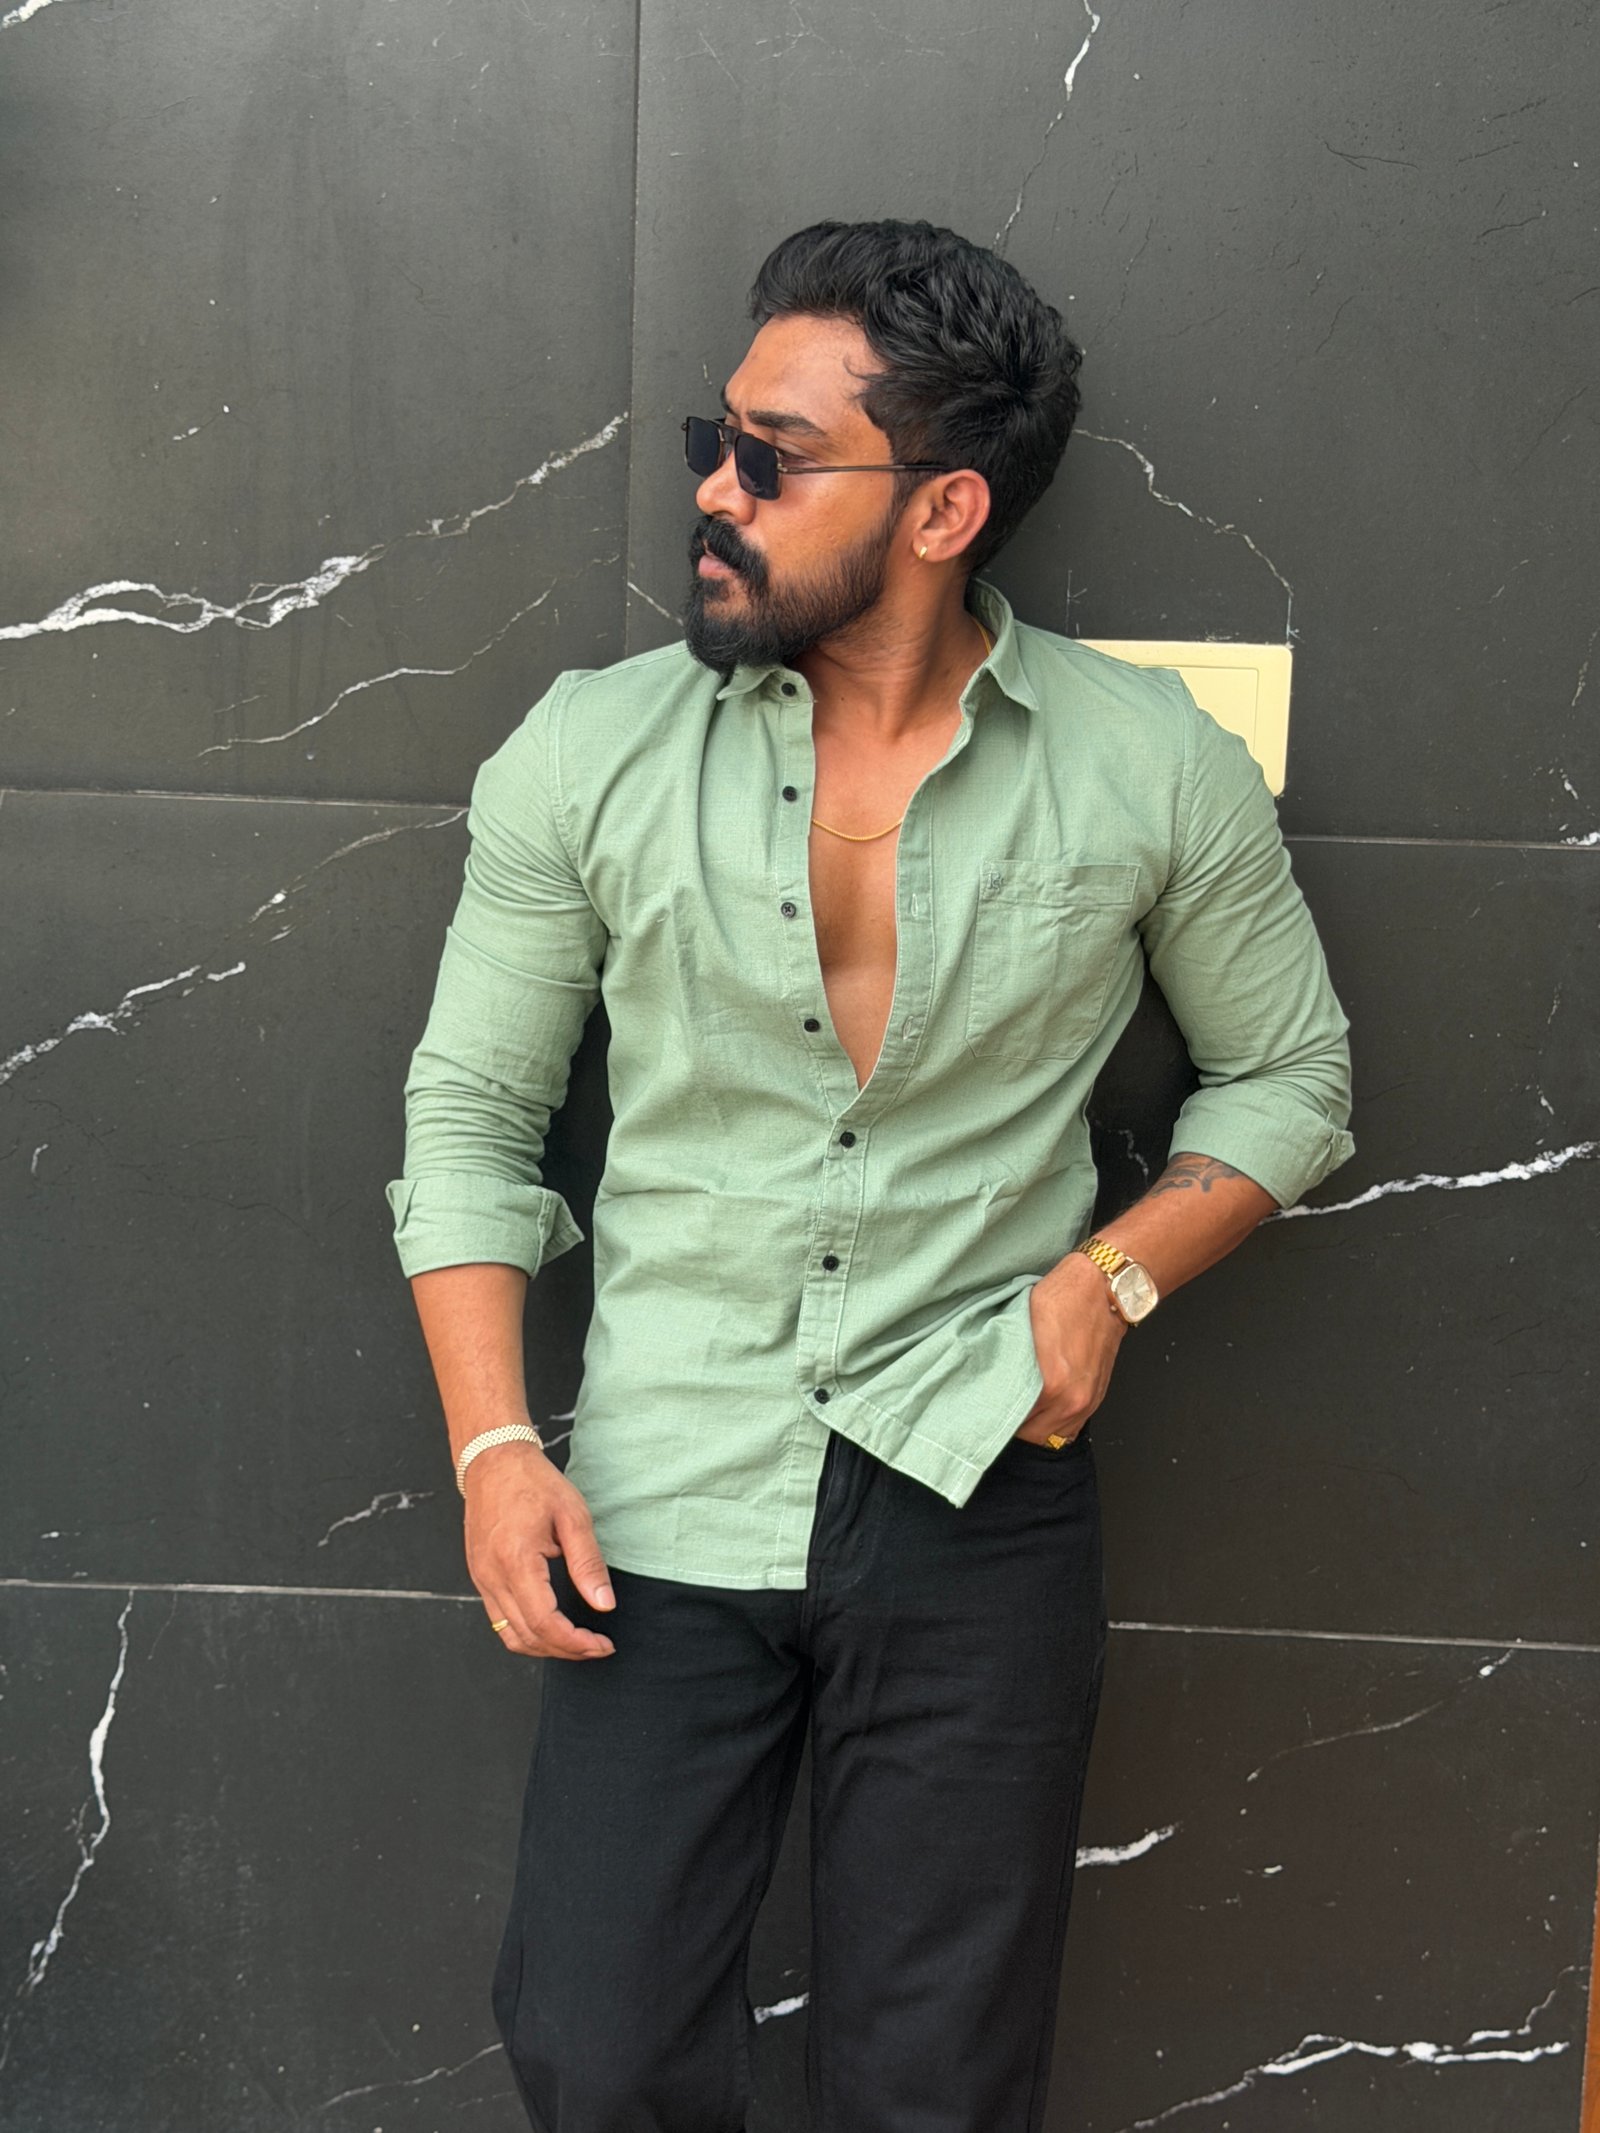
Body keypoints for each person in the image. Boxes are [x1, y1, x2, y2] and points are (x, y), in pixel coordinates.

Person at [385, 217, 1355, 2133]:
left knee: (937, 2082)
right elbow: (471, 1114)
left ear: (942, 508)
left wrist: (1111, 1280)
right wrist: (496, 1447)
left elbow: (1293, 1073)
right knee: (594, 2039)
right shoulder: (589, 751)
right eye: (716, 440)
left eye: (776, 458)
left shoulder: (1146, 763)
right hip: (661, 1485)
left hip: (978, 1475)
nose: (715, 492)